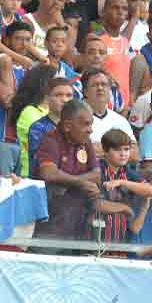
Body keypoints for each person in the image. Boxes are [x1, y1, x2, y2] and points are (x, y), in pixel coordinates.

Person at [34, 99, 100, 240]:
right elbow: (49, 174)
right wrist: (81, 183)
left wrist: (67, 179)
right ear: (68, 126)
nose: (91, 130)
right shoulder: (51, 140)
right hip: (51, 221)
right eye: (86, 124)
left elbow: (97, 175)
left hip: (79, 219)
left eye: (91, 124)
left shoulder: (85, 141)